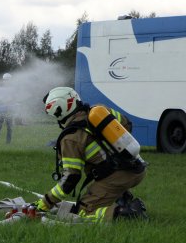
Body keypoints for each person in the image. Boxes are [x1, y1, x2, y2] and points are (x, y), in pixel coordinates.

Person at [33, 86, 147, 222]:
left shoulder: (70, 138)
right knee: (97, 189)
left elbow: (71, 178)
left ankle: (127, 213)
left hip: (117, 177)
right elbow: (127, 125)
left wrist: (46, 202)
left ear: (59, 110)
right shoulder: (99, 112)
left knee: (83, 212)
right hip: (137, 167)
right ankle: (122, 199)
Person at [0, 73, 14, 145]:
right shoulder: (0, 89)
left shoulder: (11, 89)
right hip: (1, 111)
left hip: (8, 110)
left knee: (9, 128)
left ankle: (7, 143)